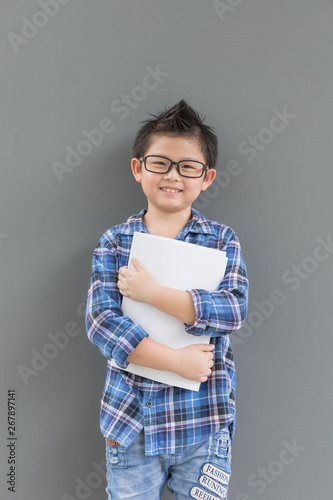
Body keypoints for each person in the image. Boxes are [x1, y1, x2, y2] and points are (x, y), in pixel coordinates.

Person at [85, 100, 249, 500]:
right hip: (132, 421)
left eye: (187, 166)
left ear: (206, 177)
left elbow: (233, 310)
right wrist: (175, 361)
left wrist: (153, 294)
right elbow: (102, 323)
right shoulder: (115, 241)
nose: (173, 175)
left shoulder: (222, 240)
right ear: (138, 168)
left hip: (203, 424)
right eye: (160, 163)